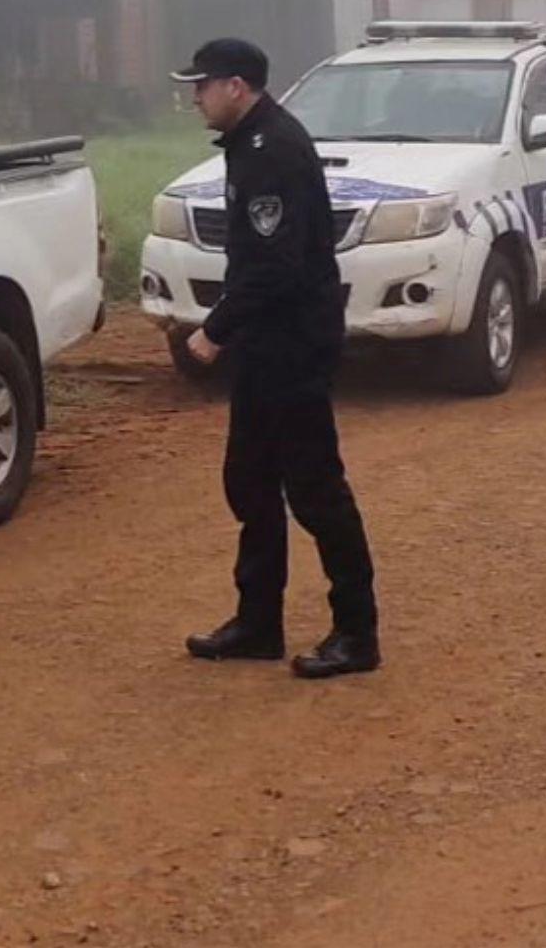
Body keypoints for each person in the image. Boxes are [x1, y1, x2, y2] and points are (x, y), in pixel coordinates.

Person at [171, 39, 382, 679]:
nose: (194, 97)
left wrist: (216, 329)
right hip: (266, 344)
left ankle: (357, 633)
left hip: (293, 342)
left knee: (315, 490)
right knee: (251, 481)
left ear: (238, 86)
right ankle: (258, 621)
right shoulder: (249, 145)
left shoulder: (273, 152)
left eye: (202, 85)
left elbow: (276, 265)